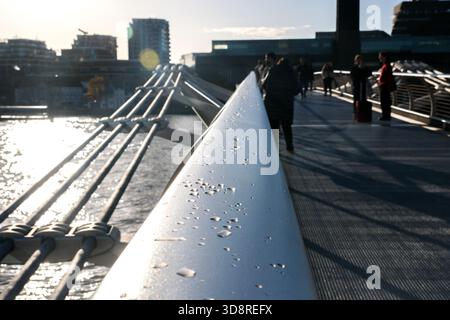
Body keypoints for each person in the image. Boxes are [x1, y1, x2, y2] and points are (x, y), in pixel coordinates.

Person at [263, 57, 299, 154]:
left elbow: (264, 85)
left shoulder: (272, 70)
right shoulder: (291, 72)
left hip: (272, 103)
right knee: (287, 127)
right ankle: (290, 147)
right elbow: (297, 89)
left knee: (274, 127)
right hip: (287, 104)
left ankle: (275, 149)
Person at [351, 54, 372, 119]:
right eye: (357, 60)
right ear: (355, 60)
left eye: (359, 60)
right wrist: (359, 68)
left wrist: (363, 68)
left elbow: (369, 73)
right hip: (356, 86)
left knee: (363, 99)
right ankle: (355, 112)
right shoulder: (354, 67)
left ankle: (362, 113)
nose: (359, 61)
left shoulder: (364, 67)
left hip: (363, 86)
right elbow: (353, 75)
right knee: (356, 99)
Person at [377, 52, 396, 121]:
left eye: (380, 56)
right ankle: (385, 115)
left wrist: (382, 83)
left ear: (384, 57)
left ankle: (386, 116)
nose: (379, 58)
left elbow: (388, 77)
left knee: (385, 102)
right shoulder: (385, 65)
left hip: (385, 87)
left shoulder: (387, 66)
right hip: (384, 86)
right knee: (385, 102)